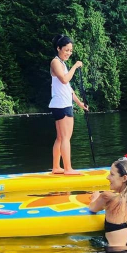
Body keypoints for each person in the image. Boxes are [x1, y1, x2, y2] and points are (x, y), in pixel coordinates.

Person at [49, 34, 88, 175]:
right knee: (66, 137)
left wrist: (80, 103)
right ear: (59, 48)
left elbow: (68, 88)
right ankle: (68, 169)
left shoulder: (62, 63)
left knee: (60, 137)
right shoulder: (56, 62)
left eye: (70, 50)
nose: (69, 53)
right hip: (61, 105)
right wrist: (76, 66)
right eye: (66, 50)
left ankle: (56, 167)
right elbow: (65, 79)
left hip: (62, 104)